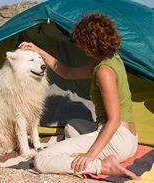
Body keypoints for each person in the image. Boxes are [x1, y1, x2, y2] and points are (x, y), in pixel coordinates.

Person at [19, 13, 139, 180]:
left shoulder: (105, 72)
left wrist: (90, 155)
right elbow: (67, 73)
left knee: (41, 160)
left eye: (81, 42)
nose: (79, 46)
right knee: (71, 126)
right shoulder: (109, 59)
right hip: (127, 137)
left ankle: (103, 164)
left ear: (90, 43)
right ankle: (102, 156)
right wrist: (39, 51)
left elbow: (114, 120)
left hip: (119, 138)